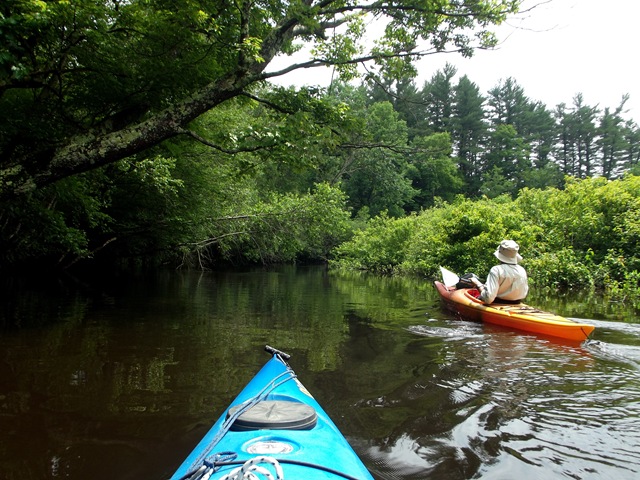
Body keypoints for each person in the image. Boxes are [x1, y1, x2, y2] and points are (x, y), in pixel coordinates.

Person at [477, 240, 529, 304]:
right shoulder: (522, 270)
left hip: (498, 303)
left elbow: (488, 299)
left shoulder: (496, 270)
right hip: (517, 303)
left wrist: (477, 284)